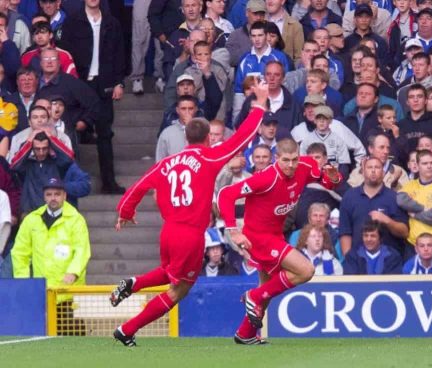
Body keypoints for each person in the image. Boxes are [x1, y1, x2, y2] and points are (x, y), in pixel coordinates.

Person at [108, 82, 269, 347]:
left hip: (168, 231)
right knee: (179, 289)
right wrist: (260, 105)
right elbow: (243, 136)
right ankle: (127, 329)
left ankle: (133, 284)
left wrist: (125, 211)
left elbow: (139, 185)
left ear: (186, 139)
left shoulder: (167, 162)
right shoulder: (209, 157)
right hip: (191, 234)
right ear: (207, 138)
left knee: (169, 272)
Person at [217, 138, 341, 344]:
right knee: (305, 271)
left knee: (269, 286)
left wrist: (333, 177)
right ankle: (253, 296)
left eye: (294, 159)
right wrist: (233, 231)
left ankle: (245, 334)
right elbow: (225, 194)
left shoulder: (306, 165)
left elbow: (328, 182)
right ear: (276, 158)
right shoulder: (265, 178)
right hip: (258, 237)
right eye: (285, 160)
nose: (291, 165)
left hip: (275, 234)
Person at [60, 0, 127, 194]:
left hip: (104, 84)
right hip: (80, 84)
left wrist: (119, 82)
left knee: (105, 134)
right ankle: (69, 183)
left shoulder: (111, 23)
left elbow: (119, 54)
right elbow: (66, 53)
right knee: (71, 132)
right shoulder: (73, 22)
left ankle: (109, 182)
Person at [11, 177, 90, 335]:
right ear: (44, 196)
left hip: (68, 292)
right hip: (41, 291)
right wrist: (24, 281)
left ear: (64, 196)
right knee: (41, 341)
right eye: (49, 194)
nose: (53, 198)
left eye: (57, 194)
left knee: (73, 337)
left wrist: (73, 272)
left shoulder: (76, 220)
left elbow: (82, 249)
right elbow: (20, 253)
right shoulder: (32, 220)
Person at [339, 156, 409, 256]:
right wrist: (349, 259)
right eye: (369, 167)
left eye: (377, 167)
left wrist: (387, 220)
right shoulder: (350, 196)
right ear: (363, 172)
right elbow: (345, 231)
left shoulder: (394, 197)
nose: (373, 170)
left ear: (384, 173)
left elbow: (404, 232)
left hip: (388, 261)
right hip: (358, 261)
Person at [397, 149, 432, 256]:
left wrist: (414, 214)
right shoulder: (410, 185)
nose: (429, 166)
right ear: (417, 166)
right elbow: (400, 200)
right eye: (425, 163)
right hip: (413, 245)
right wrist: (423, 208)